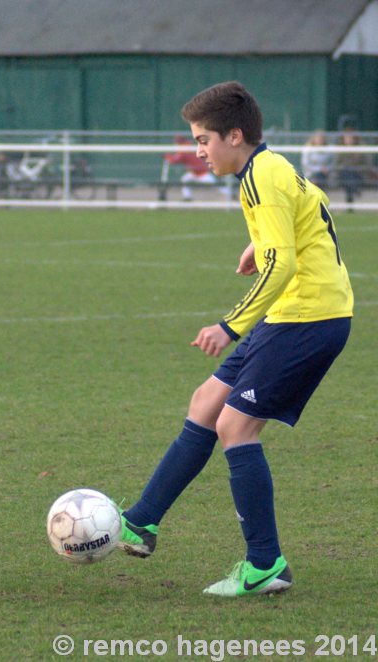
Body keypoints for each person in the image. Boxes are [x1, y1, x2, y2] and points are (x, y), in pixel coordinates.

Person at [116, 81, 353, 597]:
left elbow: (283, 264)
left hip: (308, 317)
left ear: (235, 135)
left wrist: (229, 325)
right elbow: (311, 204)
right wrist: (260, 239)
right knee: (206, 402)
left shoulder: (260, 177)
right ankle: (141, 521)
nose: (198, 150)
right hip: (295, 313)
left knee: (235, 426)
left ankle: (265, 564)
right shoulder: (270, 166)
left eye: (204, 139)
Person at [163, 135, 219, 201]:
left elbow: (174, 160)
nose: (176, 144)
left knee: (216, 185)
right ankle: (187, 197)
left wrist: (167, 156)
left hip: (202, 173)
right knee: (185, 179)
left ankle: (230, 194)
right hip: (194, 173)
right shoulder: (187, 146)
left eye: (177, 142)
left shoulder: (185, 149)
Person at [335, 127, 370, 207]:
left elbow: (366, 163)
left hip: (358, 173)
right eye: (346, 138)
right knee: (346, 173)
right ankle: (354, 190)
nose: (348, 140)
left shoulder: (361, 148)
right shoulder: (340, 149)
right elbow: (337, 164)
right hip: (344, 174)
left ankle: (351, 195)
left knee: (350, 174)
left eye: (350, 138)